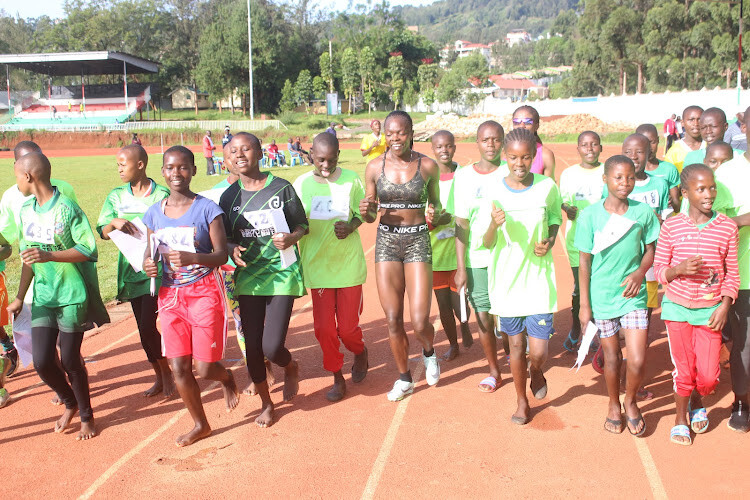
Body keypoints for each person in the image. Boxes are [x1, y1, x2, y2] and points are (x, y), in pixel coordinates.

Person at [7, 152, 110, 440]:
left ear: (28, 176)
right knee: (41, 361)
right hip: (43, 296)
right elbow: (29, 258)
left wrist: (49, 255)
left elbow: (88, 250)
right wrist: (19, 297)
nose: (16, 183)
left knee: (70, 360)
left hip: (71, 294)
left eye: (17, 177)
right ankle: (70, 402)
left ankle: (87, 416)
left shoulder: (67, 208)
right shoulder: (25, 210)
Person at [142, 146, 239, 447]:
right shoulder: (153, 214)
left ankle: (227, 378)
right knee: (178, 368)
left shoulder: (208, 209)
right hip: (170, 298)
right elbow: (149, 254)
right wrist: (148, 265)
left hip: (204, 293)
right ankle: (201, 424)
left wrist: (193, 257)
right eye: (170, 168)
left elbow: (221, 255)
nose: (176, 173)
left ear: (194, 170)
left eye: (183, 167)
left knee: (205, 368)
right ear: (162, 172)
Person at [221, 132, 307, 427]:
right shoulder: (228, 197)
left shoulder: (281, 188)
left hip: (282, 272)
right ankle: (267, 403)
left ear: (260, 153)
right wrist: (231, 248)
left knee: (271, 347)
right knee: (253, 348)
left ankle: (290, 365)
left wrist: (291, 238)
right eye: (234, 150)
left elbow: (302, 225)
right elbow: (224, 238)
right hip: (249, 277)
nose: (239, 155)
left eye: (246, 149)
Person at [359, 110, 442, 402]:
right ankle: (404, 378)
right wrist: (366, 211)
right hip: (387, 242)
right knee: (393, 318)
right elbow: (370, 216)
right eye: (390, 133)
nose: (395, 138)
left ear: (411, 133)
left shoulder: (428, 166)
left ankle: (429, 353)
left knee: (419, 321)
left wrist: (436, 214)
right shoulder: (374, 167)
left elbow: (436, 205)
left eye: (401, 132)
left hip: (418, 240)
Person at [654, 164, 739, 445]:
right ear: (685, 192)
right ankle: (680, 419)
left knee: (709, 377)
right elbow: (659, 270)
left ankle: (697, 397)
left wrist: (724, 306)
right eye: (701, 189)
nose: (709, 194)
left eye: (712, 187)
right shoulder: (671, 226)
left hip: (710, 311)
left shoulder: (726, 227)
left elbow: (732, 274)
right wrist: (678, 270)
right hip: (677, 308)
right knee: (684, 369)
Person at [482, 128, 562, 425]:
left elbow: (555, 219)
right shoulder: (494, 190)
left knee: (538, 351)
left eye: (526, 157)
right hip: (506, 282)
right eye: (513, 157)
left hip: (538, 280)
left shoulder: (546, 187)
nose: (519, 163)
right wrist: (493, 224)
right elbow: (487, 242)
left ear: (534, 156)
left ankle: (536, 370)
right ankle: (521, 401)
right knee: (516, 346)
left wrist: (549, 241)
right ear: (505, 156)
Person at [576, 155, 660, 435]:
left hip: (633, 295)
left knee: (636, 359)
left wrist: (639, 273)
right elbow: (584, 262)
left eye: (630, 177)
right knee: (612, 358)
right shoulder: (590, 216)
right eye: (618, 177)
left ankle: (630, 401)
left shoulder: (643, 213)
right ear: (605, 179)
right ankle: (613, 403)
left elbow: (651, 250)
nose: (625, 182)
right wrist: (584, 306)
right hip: (602, 296)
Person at [293, 132, 369, 402]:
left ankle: (359, 351)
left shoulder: (351, 180)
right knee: (324, 329)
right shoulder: (301, 184)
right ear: (311, 154)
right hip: (318, 267)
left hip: (347, 265)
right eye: (321, 160)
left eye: (332, 160)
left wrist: (351, 226)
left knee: (347, 329)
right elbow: (294, 222)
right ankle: (337, 375)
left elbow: (362, 214)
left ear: (338, 155)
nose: (326, 166)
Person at [96, 144, 175, 398]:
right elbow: (103, 233)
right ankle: (160, 374)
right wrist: (113, 222)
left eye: (123, 164)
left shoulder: (161, 194)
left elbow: (172, 225)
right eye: (117, 165)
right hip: (131, 271)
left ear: (140, 165)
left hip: (157, 269)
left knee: (150, 325)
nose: (119, 169)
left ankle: (170, 373)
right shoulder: (116, 196)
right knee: (143, 330)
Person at [0, 141, 79, 388]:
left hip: (66, 275)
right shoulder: (11, 197)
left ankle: (76, 381)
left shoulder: (63, 189)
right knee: (44, 342)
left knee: (66, 343)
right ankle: (64, 387)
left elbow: (77, 234)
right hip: (34, 276)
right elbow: (6, 238)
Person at [451, 120, 508, 393]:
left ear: (503, 142)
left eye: (496, 139)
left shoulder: (512, 171)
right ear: (477, 142)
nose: (491, 145)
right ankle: (494, 370)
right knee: (483, 315)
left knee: (507, 316)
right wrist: (461, 267)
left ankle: (513, 352)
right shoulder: (463, 177)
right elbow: (461, 224)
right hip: (477, 258)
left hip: (508, 257)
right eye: (485, 140)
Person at [711, 106, 750, 432]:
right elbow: (712, 222)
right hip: (743, 275)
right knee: (744, 345)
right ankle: (741, 402)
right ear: (743, 127)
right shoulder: (727, 174)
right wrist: (743, 220)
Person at [559, 131, 604, 351]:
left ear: (600, 148)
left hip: (604, 240)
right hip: (577, 240)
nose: (589, 149)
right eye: (585, 145)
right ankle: (577, 327)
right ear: (578, 149)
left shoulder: (607, 170)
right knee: (580, 287)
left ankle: (596, 331)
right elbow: (563, 201)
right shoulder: (568, 174)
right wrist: (568, 209)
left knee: (599, 287)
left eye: (594, 144)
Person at [430, 130, 473, 361]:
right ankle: (453, 345)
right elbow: (422, 217)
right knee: (443, 306)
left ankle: (464, 324)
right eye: (439, 147)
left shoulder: (465, 175)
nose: (444, 150)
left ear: (454, 148)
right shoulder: (428, 177)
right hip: (436, 254)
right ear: (433, 149)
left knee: (459, 304)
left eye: (448, 146)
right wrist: (435, 221)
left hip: (459, 253)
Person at [636, 123, 680, 214]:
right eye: (644, 143)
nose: (649, 148)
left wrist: (671, 201)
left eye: (652, 142)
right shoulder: (630, 171)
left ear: (658, 140)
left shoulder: (669, 169)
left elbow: (677, 207)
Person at [511, 105, 555, 178]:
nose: (521, 126)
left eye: (527, 122)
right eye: (517, 122)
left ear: (536, 126)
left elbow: (549, 184)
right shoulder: (503, 154)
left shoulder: (545, 156)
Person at [664, 106, 704, 172]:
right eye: (691, 120)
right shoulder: (673, 153)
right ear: (682, 123)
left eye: (700, 119)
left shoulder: (711, 147)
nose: (696, 123)